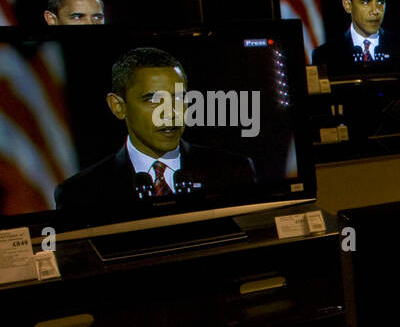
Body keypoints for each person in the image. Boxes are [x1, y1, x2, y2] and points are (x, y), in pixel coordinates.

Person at [54, 46, 256, 210]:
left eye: (178, 97)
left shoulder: (234, 171)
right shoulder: (80, 193)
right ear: (118, 107)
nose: (170, 113)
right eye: (153, 100)